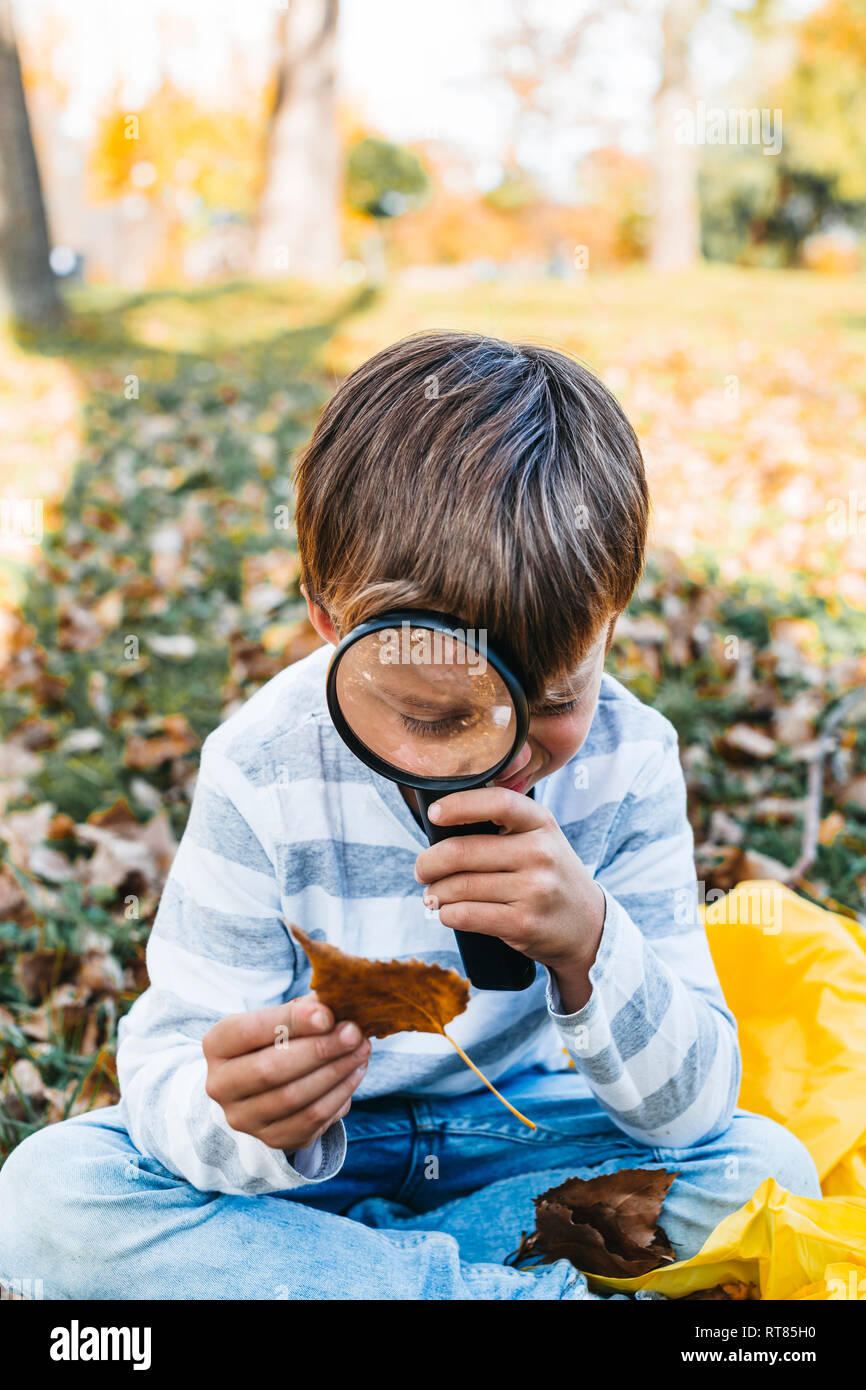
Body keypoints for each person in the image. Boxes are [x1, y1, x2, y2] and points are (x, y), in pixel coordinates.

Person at [0, 332, 820, 1300]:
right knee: (52, 1195)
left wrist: (589, 945)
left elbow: (683, 1116)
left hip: (524, 1139)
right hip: (318, 1173)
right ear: (326, 622)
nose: (508, 753)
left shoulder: (628, 759)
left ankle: (368, 1279)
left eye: (555, 700)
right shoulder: (263, 763)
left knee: (763, 1170)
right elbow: (178, 1060)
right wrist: (247, 1118)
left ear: (613, 620)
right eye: (434, 716)